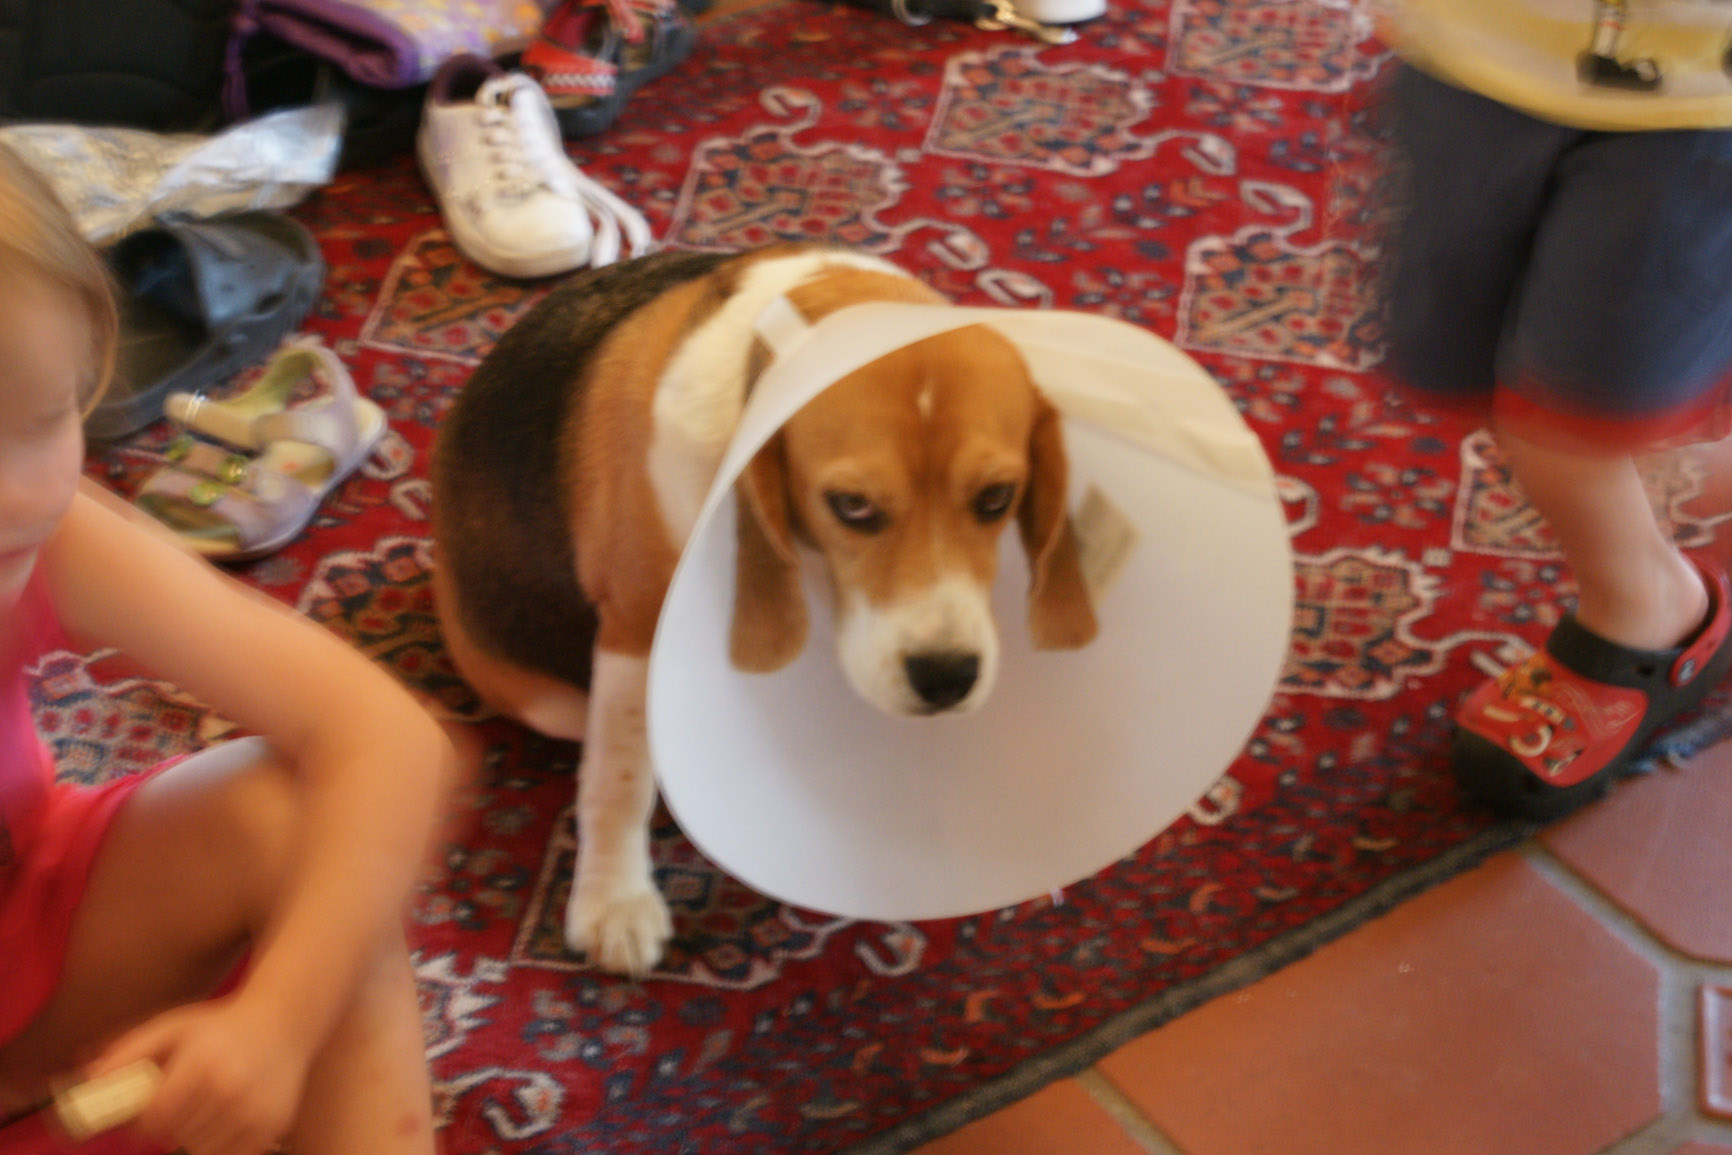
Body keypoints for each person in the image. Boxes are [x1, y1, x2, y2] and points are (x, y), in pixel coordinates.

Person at [0, 140, 454, 1155]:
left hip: (30, 945)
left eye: (43, 415)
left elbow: (381, 737)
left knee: (281, 812)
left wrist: (276, 1026)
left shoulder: (57, 537)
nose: (16, 498)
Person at [1375, 0, 1732, 820]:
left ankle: (1649, 605)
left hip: (1691, 99)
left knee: (1568, 417)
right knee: (1451, 356)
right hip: (1468, 48)